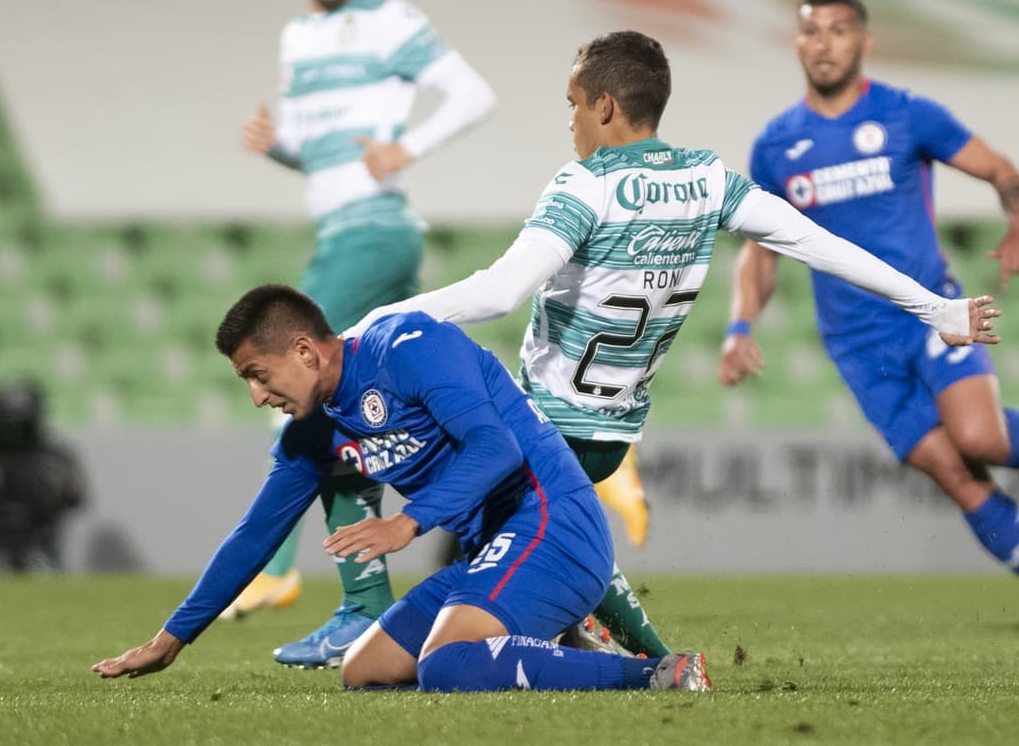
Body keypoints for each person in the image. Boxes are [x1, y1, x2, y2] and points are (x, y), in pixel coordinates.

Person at [343, 29, 1003, 654]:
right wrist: (935, 306)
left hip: (548, 424)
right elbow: (815, 243)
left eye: (573, 105)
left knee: (414, 473)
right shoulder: (707, 179)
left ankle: (645, 658)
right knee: (510, 538)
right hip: (613, 435)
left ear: (604, 105)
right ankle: (582, 630)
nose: (569, 121)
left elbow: (496, 293)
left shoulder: (587, 184)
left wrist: (370, 324)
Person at [92, 284, 710, 692]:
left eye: (257, 375)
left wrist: (405, 523)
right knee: (367, 670)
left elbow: (498, 448)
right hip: (492, 551)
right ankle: (553, 641)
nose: (257, 396)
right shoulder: (310, 434)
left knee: (446, 664)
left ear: (304, 351)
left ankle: (657, 673)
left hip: (553, 520)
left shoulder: (410, 347)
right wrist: (170, 640)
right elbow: (255, 534)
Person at [230, 0, 496, 667]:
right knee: (361, 417)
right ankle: (399, 589)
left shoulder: (392, 22)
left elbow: (476, 94)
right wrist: (282, 147)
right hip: (352, 229)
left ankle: (306, 584)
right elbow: (323, 156)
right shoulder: (299, 37)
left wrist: (405, 147)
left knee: (291, 391)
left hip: (372, 230)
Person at [720, 0, 1019, 574]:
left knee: (979, 437)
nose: (824, 43)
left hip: (931, 312)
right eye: (811, 30)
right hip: (857, 345)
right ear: (797, 43)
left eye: (838, 29)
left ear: (865, 40)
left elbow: (998, 168)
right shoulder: (778, 146)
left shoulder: (908, 115)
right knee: (952, 471)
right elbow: (761, 250)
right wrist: (739, 324)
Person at [0, 378, 87, 571]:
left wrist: (50, 486)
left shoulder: (53, 458)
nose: (14, 432)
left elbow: (75, 497)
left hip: (42, 548)